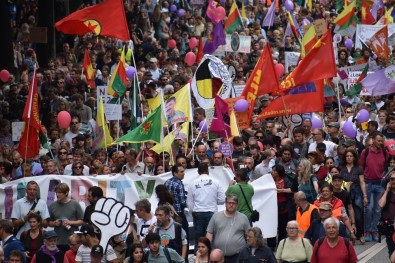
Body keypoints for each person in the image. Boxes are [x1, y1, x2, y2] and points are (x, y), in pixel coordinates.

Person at [187, 163, 225, 251]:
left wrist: (192, 211)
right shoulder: (216, 182)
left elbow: (190, 203)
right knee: (211, 238)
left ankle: (198, 258)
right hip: (212, 213)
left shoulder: (192, 183)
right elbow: (222, 200)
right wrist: (213, 202)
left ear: (198, 171)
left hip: (198, 213)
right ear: (208, 170)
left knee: (199, 240)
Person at [359, 131, 387, 242]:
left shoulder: (385, 153)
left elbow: (384, 167)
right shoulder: (365, 152)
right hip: (368, 183)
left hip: (379, 184)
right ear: (373, 140)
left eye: (382, 141)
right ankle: (367, 230)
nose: (380, 143)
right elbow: (361, 167)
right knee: (369, 209)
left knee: (377, 209)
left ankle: (375, 230)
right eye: (378, 140)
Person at [206, 194, 250, 263]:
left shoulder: (243, 218)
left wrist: (248, 251)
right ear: (225, 204)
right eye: (229, 203)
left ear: (237, 205)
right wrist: (208, 249)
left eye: (233, 203)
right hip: (218, 257)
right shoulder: (216, 216)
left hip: (238, 256)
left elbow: (249, 235)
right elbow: (209, 233)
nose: (231, 205)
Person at [48, 183, 84, 252]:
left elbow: (82, 221)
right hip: (57, 241)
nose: (57, 194)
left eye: (60, 192)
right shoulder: (53, 205)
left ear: (66, 193)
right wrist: (55, 223)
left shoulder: (75, 204)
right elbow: (48, 223)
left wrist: (70, 222)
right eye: (56, 192)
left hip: (72, 241)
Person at [164, 164, 188, 237]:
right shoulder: (179, 183)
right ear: (175, 173)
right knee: (184, 233)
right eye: (181, 172)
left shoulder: (167, 182)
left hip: (168, 212)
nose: (183, 173)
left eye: (183, 171)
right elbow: (182, 201)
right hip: (178, 212)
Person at [378, 171, 395, 262]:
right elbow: (381, 204)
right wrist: (387, 190)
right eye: (391, 179)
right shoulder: (385, 193)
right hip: (389, 228)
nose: (393, 181)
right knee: (392, 256)